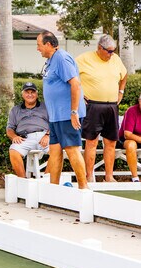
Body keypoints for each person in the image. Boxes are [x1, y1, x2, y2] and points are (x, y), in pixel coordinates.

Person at [36, 31, 88, 189]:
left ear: (48, 44)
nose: (37, 49)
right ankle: (53, 189)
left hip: (67, 115)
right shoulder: (51, 60)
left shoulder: (62, 58)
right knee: (55, 151)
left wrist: (74, 112)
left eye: (39, 45)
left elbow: (75, 84)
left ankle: (84, 188)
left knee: (72, 149)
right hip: (56, 116)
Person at [75, 34, 128, 182]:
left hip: (111, 106)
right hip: (93, 105)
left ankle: (109, 176)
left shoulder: (116, 59)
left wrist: (121, 92)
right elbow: (70, 77)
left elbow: (124, 76)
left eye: (114, 51)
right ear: (100, 48)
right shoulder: (83, 59)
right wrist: (79, 93)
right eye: (109, 51)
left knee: (110, 142)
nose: (112, 54)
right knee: (91, 142)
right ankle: (89, 176)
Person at [6, 82, 50, 178]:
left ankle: (46, 181)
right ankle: (23, 181)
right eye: (27, 92)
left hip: (44, 136)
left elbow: (54, 122)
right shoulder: (15, 110)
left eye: (32, 92)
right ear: (22, 94)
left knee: (57, 151)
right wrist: (14, 136)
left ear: (37, 94)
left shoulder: (45, 107)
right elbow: (9, 129)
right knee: (13, 151)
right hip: (25, 138)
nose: (30, 95)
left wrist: (48, 135)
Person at [118, 93, 141, 182]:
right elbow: (127, 134)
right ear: (139, 101)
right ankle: (135, 177)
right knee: (131, 145)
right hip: (125, 139)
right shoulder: (131, 111)